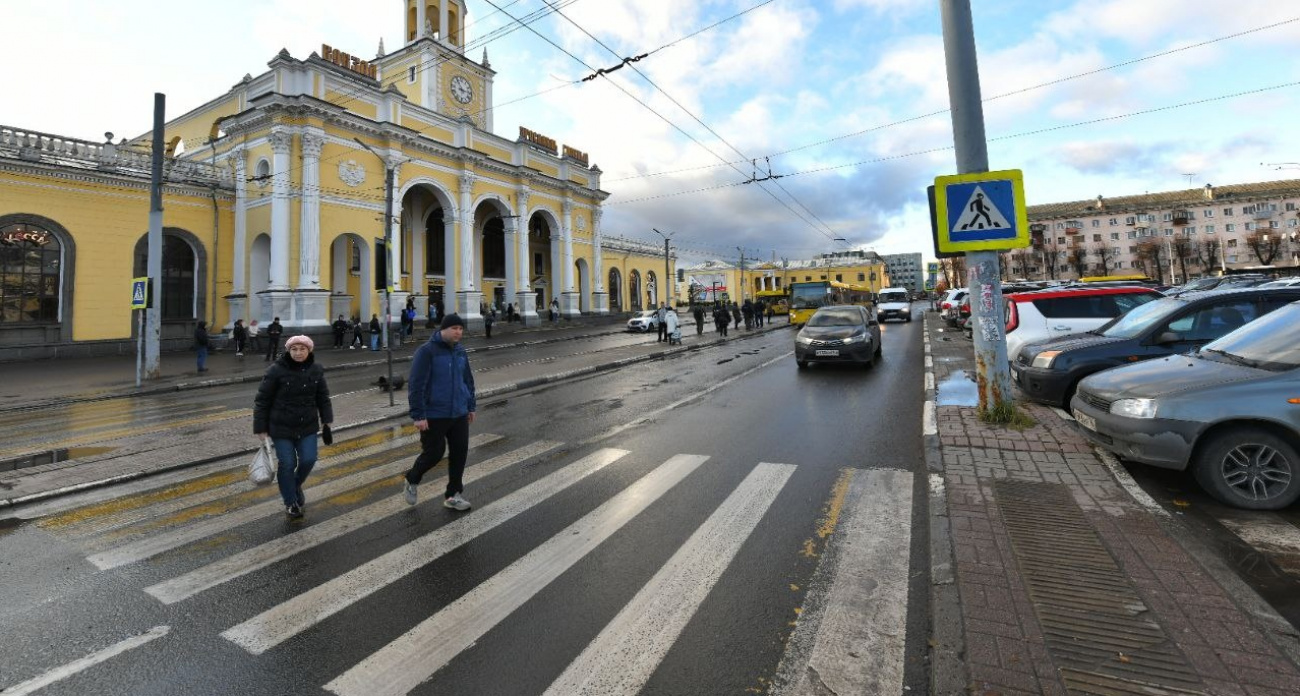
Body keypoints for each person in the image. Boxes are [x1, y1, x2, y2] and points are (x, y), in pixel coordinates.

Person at [253, 335, 334, 519]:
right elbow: (262, 400)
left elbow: (323, 397)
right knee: (288, 463)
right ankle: (291, 502)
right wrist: (261, 428)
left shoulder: (316, 370)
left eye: (302, 349)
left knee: (309, 459)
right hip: (281, 428)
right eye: (294, 349)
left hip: (307, 426)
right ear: (289, 351)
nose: (298, 352)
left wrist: (327, 420)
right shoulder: (275, 370)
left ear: (309, 350)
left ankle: (294, 484)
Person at [402, 313, 476, 512]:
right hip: (434, 413)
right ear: (443, 329)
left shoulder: (460, 351)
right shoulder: (426, 351)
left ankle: (453, 495)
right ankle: (412, 478)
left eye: (460, 329)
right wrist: (418, 415)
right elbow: (417, 385)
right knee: (434, 454)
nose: (458, 332)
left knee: (459, 453)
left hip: (459, 411)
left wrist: (470, 406)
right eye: (454, 328)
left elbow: (467, 380)